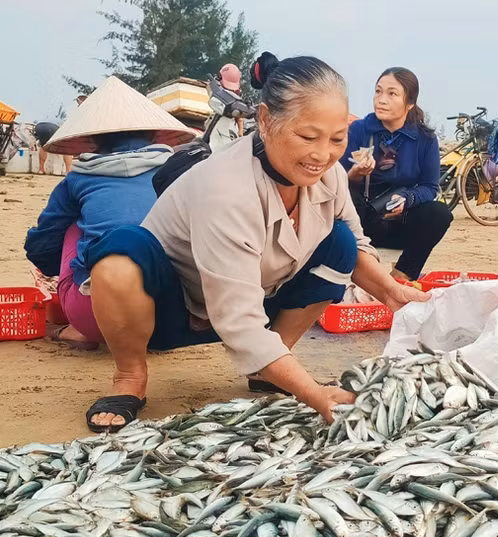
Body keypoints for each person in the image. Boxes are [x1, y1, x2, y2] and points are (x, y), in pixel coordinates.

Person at [82, 52, 428, 432]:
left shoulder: (328, 176)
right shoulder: (226, 188)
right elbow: (240, 324)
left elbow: (358, 245)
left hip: (258, 300)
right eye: (307, 136)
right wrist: (313, 393)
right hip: (170, 311)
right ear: (265, 121)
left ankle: (272, 368)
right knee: (118, 258)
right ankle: (130, 376)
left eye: (337, 139)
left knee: (342, 243)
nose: (322, 154)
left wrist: (393, 293)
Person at [24, 76, 197, 350]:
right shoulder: (179, 174)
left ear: (92, 140)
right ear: (153, 134)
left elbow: (42, 243)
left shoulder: (78, 180)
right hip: (174, 315)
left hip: (95, 315)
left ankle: (80, 330)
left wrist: (52, 270)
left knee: (75, 227)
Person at [340, 68, 452, 281]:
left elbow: (430, 187)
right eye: (378, 91)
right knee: (345, 199)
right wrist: (354, 174)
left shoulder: (425, 139)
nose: (381, 100)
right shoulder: (359, 130)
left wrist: (408, 199)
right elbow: (335, 178)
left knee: (439, 213)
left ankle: (401, 276)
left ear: (409, 103)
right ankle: (353, 273)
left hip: (401, 221)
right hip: (361, 221)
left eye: (392, 94)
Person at [207, 63, 245, 152]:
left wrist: (240, 132)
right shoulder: (216, 90)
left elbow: (240, 117)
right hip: (221, 127)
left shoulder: (236, 97)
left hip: (226, 131)